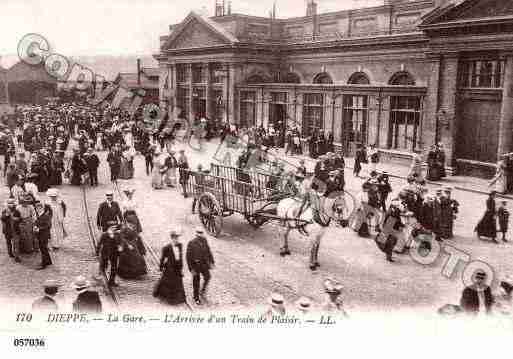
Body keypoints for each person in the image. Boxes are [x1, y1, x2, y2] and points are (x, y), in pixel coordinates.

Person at [153, 228, 186, 305]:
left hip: (177, 267)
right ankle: (167, 297)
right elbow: (162, 258)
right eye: (175, 238)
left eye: (177, 238)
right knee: (167, 282)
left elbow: (180, 257)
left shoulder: (180, 246)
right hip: (170, 268)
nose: (176, 240)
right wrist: (160, 267)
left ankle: (177, 298)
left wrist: (181, 268)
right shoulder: (166, 247)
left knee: (178, 283)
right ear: (172, 238)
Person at [186, 227, 215, 305]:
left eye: (201, 233)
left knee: (208, 277)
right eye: (199, 234)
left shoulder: (205, 241)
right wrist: (191, 269)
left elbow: (209, 251)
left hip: (204, 264)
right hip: (196, 266)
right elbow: (188, 257)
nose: (200, 235)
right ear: (196, 234)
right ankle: (196, 297)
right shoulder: (191, 243)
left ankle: (202, 291)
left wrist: (212, 262)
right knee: (196, 282)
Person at [96, 222, 122, 286]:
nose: (114, 228)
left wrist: (120, 247)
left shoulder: (117, 234)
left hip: (114, 253)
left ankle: (111, 281)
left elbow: (120, 242)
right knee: (103, 266)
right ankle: (102, 280)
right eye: (112, 227)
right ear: (108, 228)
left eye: (115, 227)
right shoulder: (104, 234)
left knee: (114, 267)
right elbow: (99, 243)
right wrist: (97, 251)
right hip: (105, 253)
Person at [33, 201, 52, 270]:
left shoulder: (46, 216)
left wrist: (39, 229)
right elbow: (36, 222)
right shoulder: (38, 215)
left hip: (44, 235)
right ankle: (49, 261)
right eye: (36, 208)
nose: (38, 209)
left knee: (43, 249)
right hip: (40, 235)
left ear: (42, 208)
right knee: (43, 248)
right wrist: (35, 226)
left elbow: (48, 225)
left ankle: (44, 264)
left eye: (39, 208)